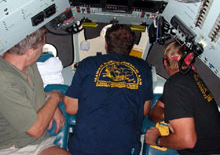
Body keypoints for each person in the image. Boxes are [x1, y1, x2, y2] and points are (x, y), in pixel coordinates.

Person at [64, 24, 153, 155]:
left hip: (85, 147)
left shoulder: (87, 64)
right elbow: (144, 109)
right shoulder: (143, 67)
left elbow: (71, 108)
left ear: (106, 44)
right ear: (132, 46)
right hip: (125, 148)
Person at [0, 27, 70, 155]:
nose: (42, 50)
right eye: (41, 47)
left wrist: (49, 102)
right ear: (30, 52)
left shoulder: (29, 65)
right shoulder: (3, 79)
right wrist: (55, 98)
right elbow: (35, 129)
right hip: (12, 148)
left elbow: (25, 94)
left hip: (39, 143)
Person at [145, 40, 220, 154]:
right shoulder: (188, 77)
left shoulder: (176, 85)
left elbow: (187, 141)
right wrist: (168, 113)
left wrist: (157, 140)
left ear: (165, 62)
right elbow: (154, 114)